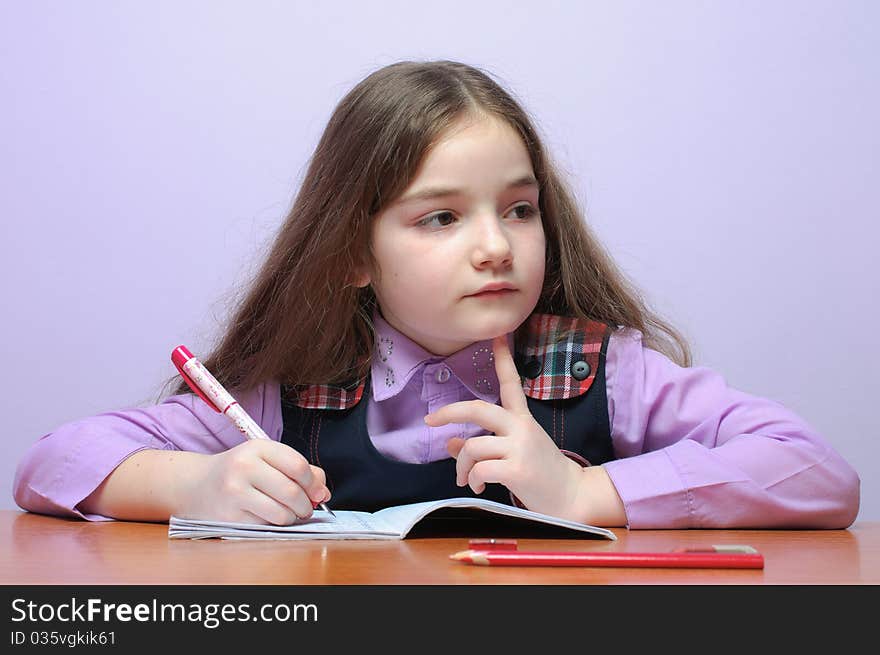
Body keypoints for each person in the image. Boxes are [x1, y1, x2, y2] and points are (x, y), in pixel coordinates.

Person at [13, 60, 859, 529]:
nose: (496, 245)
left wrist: (583, 495)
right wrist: (191, 488)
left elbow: (819, 474)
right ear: (352, 253)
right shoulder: (290, 385)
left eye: (520, 209)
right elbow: (50, 462)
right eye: (442, 217)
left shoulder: (609, 368)